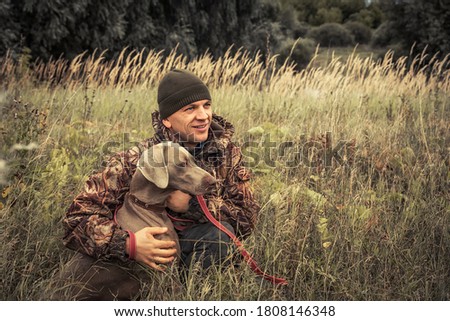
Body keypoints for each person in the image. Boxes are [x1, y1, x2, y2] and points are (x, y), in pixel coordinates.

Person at [62, 69, 260, 278]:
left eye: (206, 105)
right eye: (190, 108)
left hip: (193, 249)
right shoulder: (135, 159)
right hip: (139, 258)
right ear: (166, 120)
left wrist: (190, 207)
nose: (203, 116)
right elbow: (75, 221)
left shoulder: (226, 154)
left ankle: (190, 297)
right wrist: (128, 244)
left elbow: (246, 220)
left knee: (217, 238)